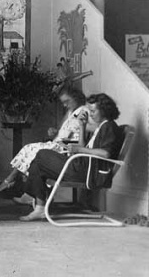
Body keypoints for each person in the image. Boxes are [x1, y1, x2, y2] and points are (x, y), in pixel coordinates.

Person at [19, 93, 122, 221]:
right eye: (90, 111)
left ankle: (34, 200)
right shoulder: (101, 126)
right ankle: (40, 209)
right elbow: (84, 147)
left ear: (105, 110)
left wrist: (79, 149)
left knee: (42, 154)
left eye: (93, 111)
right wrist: (82, 126)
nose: (91, 114)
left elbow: (106, 153)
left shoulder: (109, 126)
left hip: (88, 172)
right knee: (37, 164)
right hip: (81, 166)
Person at [0, 86, 90, 199]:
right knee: (30, 151)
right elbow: (63, 130)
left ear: (76, 97)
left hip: (67, 148)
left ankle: (11, 180)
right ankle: (26, 193)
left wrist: (83, 125)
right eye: (63, 103)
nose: (64, 105)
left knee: (31, 149)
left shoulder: (84, 110)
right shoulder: (70, 112)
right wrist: (55, 132)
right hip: (59, 143)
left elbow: (92, 128)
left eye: (67, 102)